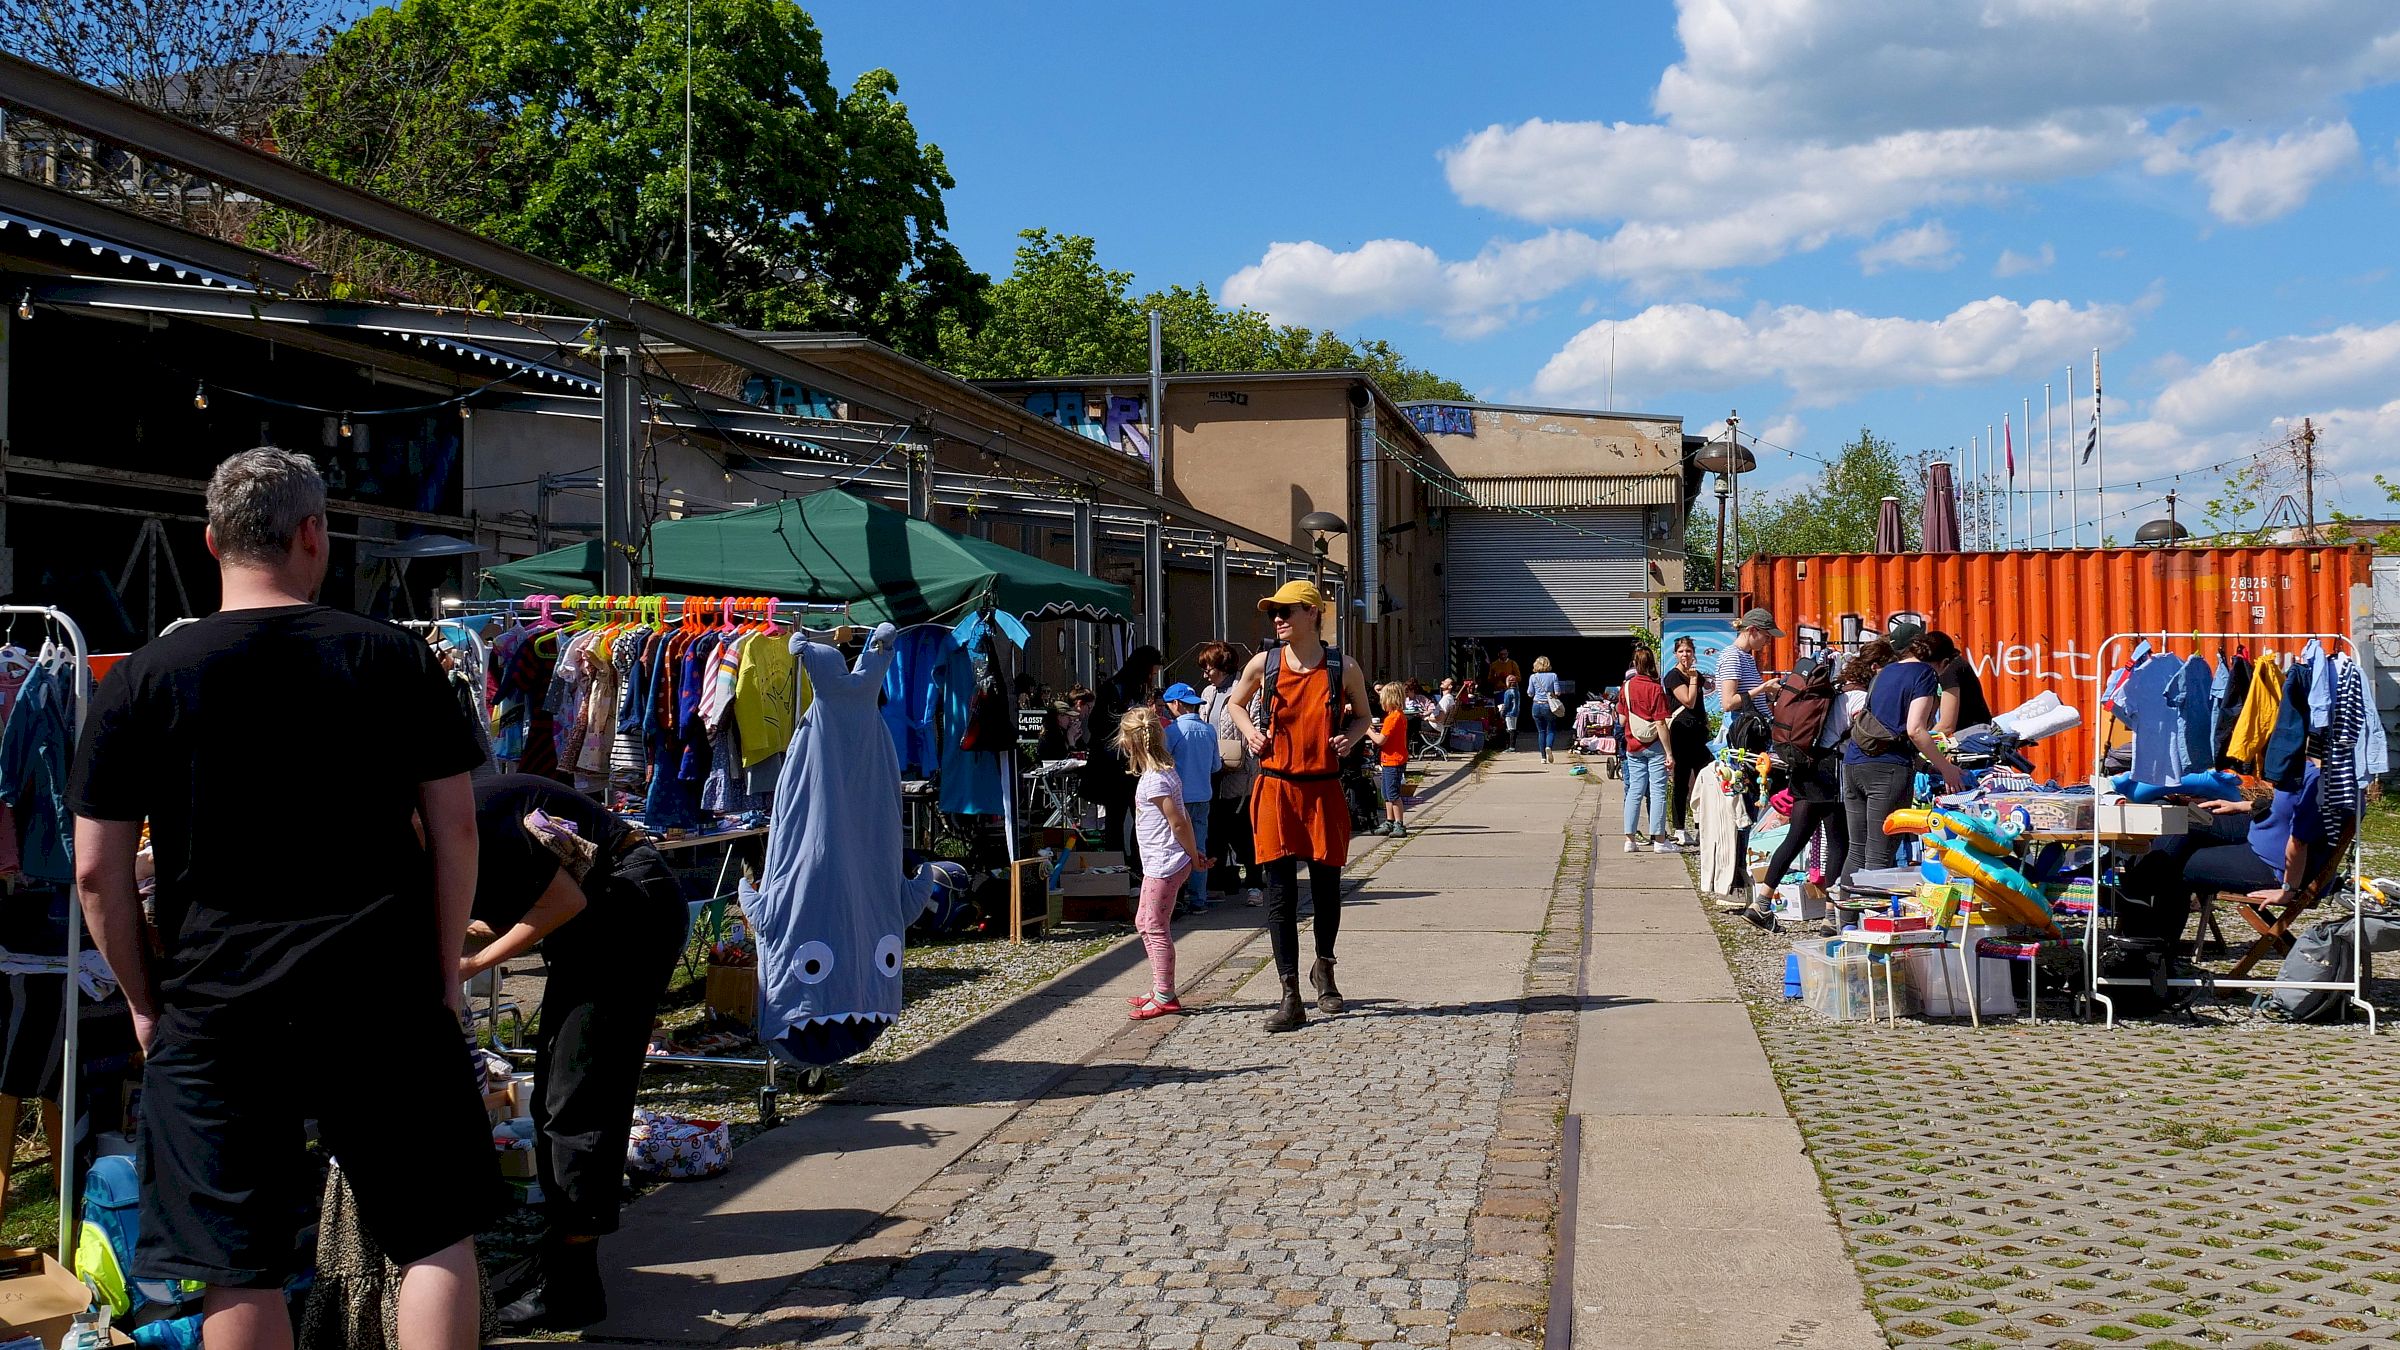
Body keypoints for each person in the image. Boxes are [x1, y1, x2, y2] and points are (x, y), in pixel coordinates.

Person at [68, 448, 490, 1350]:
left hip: (218, 1004)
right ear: (313, 535)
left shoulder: (140, 679)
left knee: (238, 1267)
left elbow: (97, 874)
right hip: (380, 991)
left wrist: (147, 1002)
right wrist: (443, 971)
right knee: (430, 1237)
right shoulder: (396, 660)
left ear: (213, 541)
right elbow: (457, 832)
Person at [462, 775, 684, 1330]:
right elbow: (514, 905)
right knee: (558, 1100)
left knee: (578, 1101)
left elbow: (562, 900)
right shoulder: (449, 820)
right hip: (605, 910)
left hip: (627, 910)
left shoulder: (474, 821)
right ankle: (558, 1258)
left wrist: (470, 965)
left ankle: (573, 1286)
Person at [1226, 580, 1375, 1032]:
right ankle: (1290, 994)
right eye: (1274, 611)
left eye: (1287, 610)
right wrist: (1249, 731)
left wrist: (1348, 737)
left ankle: (1324, 968)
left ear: (1313, 613)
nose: (1278, 618)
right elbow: (1235, 703)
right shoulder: (1263, 663)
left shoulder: (1343, 667)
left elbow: (1365, 717)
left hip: (1324, 788)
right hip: (1275, 789)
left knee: (1328, 889)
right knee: (1281, 894)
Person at [1839, 622, 1967, 889]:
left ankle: (1842, 919)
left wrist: (1921, 764)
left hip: (1853, 764)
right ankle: (1871, 925)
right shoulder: (1925, 674)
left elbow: (1884, 727)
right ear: (1942, 662)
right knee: (1880, 853)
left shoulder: (1882, 673)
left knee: (1856, 850)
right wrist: (1946, 768)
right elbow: (1915, 729)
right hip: (1886, 772)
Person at [1742, 652, 1854, 931]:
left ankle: (1762, 902)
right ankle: (1831, 917)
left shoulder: (1812, 696)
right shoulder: (1849, 699)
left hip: (1804, 768)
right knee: (1838, 841)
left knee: (1795, 839)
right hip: (1830, 773)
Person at [1117, 706, 1206, 1019]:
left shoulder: (1156, 779)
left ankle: (1166, 994)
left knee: (1154, 926)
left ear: (1132, 743)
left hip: (1165, 864)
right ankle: (1159, 987)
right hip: (1163, 862)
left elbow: (1178, 821)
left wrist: (1193, 855)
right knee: (1144, 921)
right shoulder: (1162, 771)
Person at [1083, 647, 1164, 878]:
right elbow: (1097, 725)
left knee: (1136, 815)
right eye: (1152, 672)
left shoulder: (1132, 688)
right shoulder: (1115, 688)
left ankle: (1135, 864)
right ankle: (1119, 866)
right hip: (1116, 766)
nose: (1153, 677)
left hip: (1131, 763)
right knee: (1119, 818)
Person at [1196, 644, 1260, 903]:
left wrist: (1251, 761)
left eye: (1208, 668)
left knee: (1242, 829)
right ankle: (1219, 882)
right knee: (1215, 829)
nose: (1205, 674)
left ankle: (1255, 881)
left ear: (1223, 666)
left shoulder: (1244, 691)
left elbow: (1254, 725)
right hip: (1212, 771)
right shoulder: (1208, 692)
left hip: (1239, 771)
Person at [1161, 682, 1221, 915]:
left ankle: (1175, 898)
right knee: (1198, 848)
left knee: (1175, 848)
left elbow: (1163, 764)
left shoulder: (1173, 732)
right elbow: (1216, 766)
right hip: (1203, 796)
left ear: (1176, 704)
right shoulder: (1209, 730)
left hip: (1178, 799)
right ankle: (1199, 899)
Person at [1620, 648, 1673, 852]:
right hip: (1655, 746)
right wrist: (1669, 753)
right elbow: (1660, 723)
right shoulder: (1656, 689)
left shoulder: (1626, 687)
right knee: (1658, 791)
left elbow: (1622, 718)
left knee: (1635, 790)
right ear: (1652, 663)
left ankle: (1630, 840)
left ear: (1634, 663)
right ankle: (1659, 841)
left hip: (1633, 745)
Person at [1663, 636, 1710, 848]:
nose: (1685, 655)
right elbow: (1688, 700)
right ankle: (1680, 829)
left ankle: (1702, 826)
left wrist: (1703, 680)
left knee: (1703, 782)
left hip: (1698, 734)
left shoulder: (1696, 675)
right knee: (1681, 782)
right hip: (1680, 733)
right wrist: (1692, 679)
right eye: (1681, 651)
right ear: (1675, 654)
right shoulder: (1673, 677)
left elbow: (1700, 700)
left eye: (1688, 651)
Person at [1922, 631, 1992, 734]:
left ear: (1944, 662)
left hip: (1972, 733)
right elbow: (1933, 706)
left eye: (1928, 667)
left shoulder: (1950, 671)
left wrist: (1924, 743)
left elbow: (1947, 725)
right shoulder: (1940, 670)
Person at [1367, 681, 1411, 837]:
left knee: (1393, 794)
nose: (1381, 703)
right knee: (1386, 793)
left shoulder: (1393, 718)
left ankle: (1399, 823)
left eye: (1383, 699)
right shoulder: (1397, 716)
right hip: (1388, 760)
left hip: (1394, 761)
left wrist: (1367, 730)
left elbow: (1380, 740)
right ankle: (1389, 820)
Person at [1527, 657, 1563, 763]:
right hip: (1549, 706)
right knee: (1551, 729)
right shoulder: (1553, 676)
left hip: (1536, 705)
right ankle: (1549, 747)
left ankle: (1543, 757)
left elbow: (1530, 693)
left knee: (1541, 731)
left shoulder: (1533, 677)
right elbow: (1557, 692)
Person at [1499, 674, 1523, 752]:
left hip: (1509, 713)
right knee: (1514, 728)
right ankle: (1512, 746)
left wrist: (1502, 712)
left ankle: (1511, 747)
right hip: (1516, 712)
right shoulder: (1517, 692)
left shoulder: (1508, 692)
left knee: (1510, 729)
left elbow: (1506, 704)